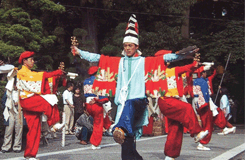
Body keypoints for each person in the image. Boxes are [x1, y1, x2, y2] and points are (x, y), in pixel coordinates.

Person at [72, 14, 200, 160]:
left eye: (130, 45)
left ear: (136, 46)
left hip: (137, 102)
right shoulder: (119, 62)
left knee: (128, 114)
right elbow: (97, 58)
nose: (127, 48)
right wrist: (79, 52)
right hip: (123, 106)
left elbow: (166, 58)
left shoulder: (144, 62)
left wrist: (182, 55)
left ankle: (120, 127)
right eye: (125, 45)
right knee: (127, 142)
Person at [156, 51, 208, 160]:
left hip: (171, 100)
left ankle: (170, 155)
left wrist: (194, 62)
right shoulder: (154, 73)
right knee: (186, 107)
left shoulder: (173, 70)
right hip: (165, 100)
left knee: (175, 127)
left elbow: (188, 68)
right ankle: (196, 132)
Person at [17, 51, 65, 160]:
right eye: (31, 59)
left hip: (31, 100)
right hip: (27, 100)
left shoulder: (28, 72)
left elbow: (40, 76)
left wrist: (56, 74)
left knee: (35, 129)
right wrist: (55, 73)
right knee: (48, 102)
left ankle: (30, 155)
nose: (33, 61)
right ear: (24, 61)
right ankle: (53, 123)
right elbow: (41, 76)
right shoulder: (22, 72)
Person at [83, 66, 111, 150]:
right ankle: (95, 143)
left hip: (88, 103)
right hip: (96, 103)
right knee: (98, 124)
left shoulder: (86, 81)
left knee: (98, 121)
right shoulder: (98, 81)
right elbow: (104, 96)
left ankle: (107, 126)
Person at [1, 79, 23, 153]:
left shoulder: (22, 91)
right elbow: (3, 101)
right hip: (10, 110)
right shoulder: (8, 91)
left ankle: (17, 146)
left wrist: (19, 103)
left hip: (19, 110)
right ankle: (6, 146)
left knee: (19, 129)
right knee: (9, 129)